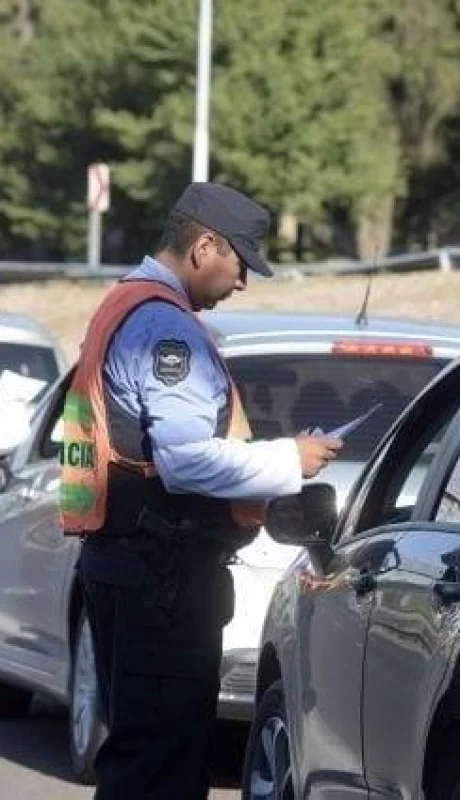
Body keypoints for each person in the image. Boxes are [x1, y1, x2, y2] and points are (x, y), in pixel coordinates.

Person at [59, 182, 343, 799]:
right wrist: (288, 459)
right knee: (161, 765)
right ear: (204, 246)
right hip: (161, 573)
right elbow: (186, 462)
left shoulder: (124, 304)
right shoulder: (166, 328)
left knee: (144, 756)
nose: (242, 282)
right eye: (240, 262)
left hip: (130, 564)